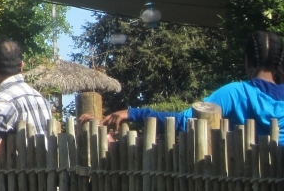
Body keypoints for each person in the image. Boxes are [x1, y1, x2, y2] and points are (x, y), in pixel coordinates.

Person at [95, 30, 284, 141]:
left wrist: (135, 113)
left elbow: (184, 122)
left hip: (248, 188)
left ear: (248, 60)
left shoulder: (236, 93)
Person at [0, 38, 52, 161]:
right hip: (46, 174)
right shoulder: (39, 97)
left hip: (22, 176)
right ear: (22, 65)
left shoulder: (2, 101)